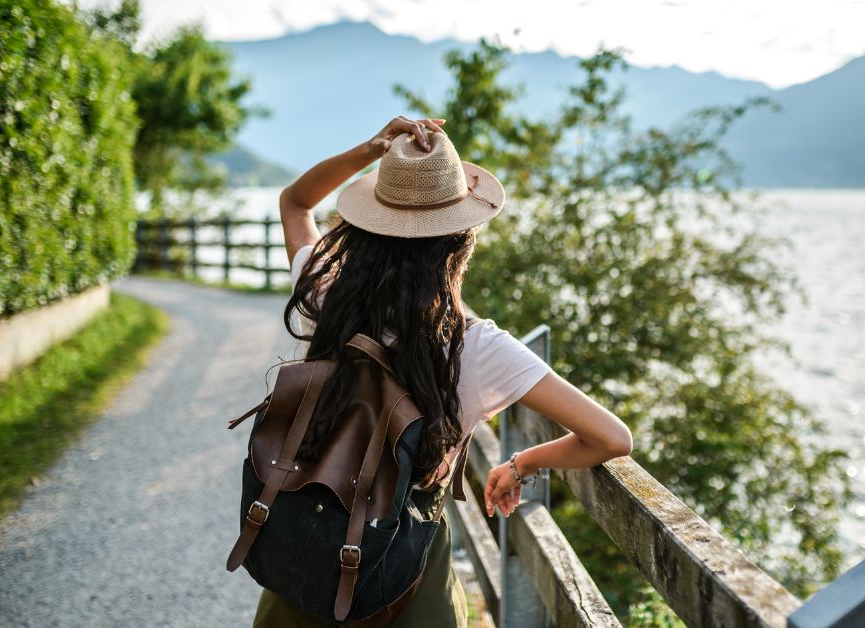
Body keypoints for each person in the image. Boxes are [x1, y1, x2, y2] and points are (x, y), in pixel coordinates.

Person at [254, 115, 633, 627]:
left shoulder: (326, 294)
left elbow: (295, 201)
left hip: (308, 545)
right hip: (405, 571)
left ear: (367, 227)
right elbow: (610, 437)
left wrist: (373, 149)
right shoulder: (476, 347)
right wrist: (520, 463)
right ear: (461, 241)